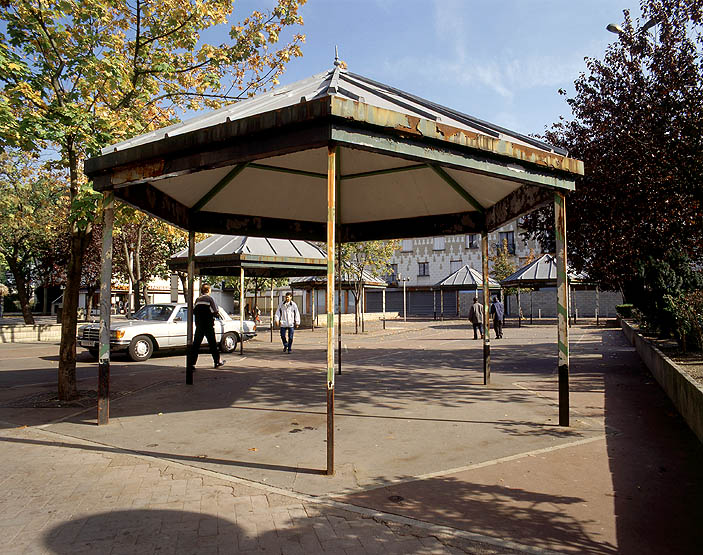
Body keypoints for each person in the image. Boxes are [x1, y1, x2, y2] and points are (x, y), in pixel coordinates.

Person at [187, 283, 225, 369]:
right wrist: (216, 316)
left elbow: (194, 311)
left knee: (196, 345)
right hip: (208, 325)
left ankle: (192, 364)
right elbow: (215, 311)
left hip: (199, 325)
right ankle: (217, 361)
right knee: (213, 344)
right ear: (208, 290)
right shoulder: (210, 299)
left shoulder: (197, 300)